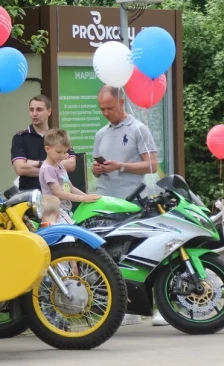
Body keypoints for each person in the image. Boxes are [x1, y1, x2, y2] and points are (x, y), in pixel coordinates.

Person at [91, 85, 161, 326]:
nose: (106, 113)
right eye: (101, 109)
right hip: (106, 201)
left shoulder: (139, 129)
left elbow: (151, 164)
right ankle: (125, 308)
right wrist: (98, 169)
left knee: (138, 253)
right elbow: (95, 167)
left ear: (121, 103)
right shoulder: (101, 133)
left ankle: (154, 306)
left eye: (109, 108)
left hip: (131, 201)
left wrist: (121, 165)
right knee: (112, 255)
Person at [11, 95, 76, 191]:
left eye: (39, 109)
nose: (34, 113)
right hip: (29, 196)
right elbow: (20, 169)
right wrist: (55, 167)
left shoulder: (58, 136)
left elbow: (71, 165)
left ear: (49, 111)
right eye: (31, 110)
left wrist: (37, 163)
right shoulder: (20, 138)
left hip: (56, 195)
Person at [39, 128, 101, 223]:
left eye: (65, 152)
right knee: (72, 236)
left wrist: (87, 197)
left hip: (66, 209)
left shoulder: (59, 165)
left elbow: (70, 187)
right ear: (47, 149)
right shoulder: (48, 168)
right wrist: (83, 198)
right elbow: (58, 193)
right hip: (55, 212)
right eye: (59, 152)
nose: (62, 155)